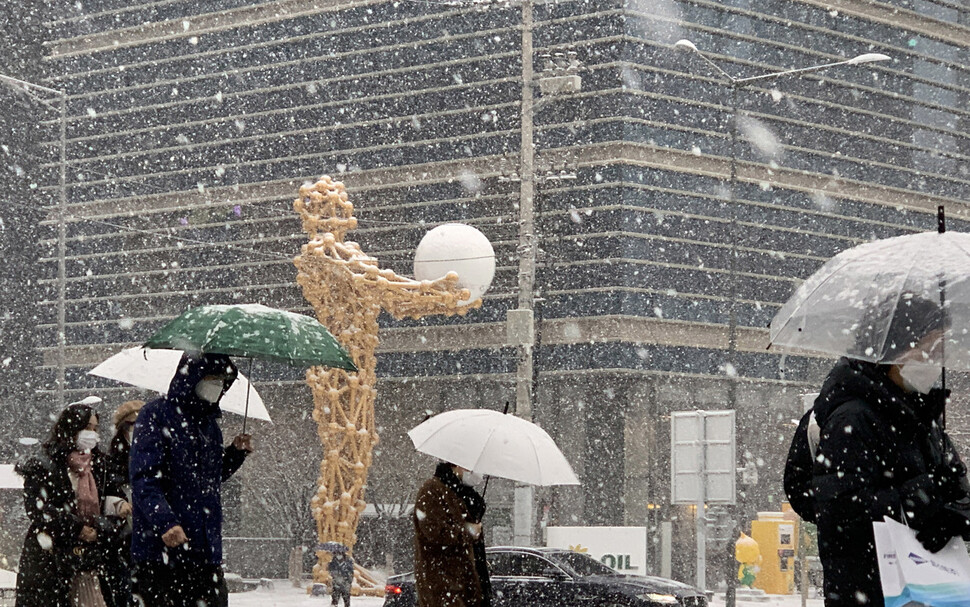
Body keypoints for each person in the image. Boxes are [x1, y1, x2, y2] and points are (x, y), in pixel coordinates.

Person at [787, 293, 970, 607]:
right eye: (930, 348)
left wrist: (955, 516)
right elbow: (840, 510)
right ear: (895, 352)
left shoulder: (922, 416)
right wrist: (918, 500)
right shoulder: (852, 418)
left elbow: (957, 487)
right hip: (871, 592)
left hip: (927, 589)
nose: (937, 360)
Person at [129, 354, 253, 607]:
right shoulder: (156, 415)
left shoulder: (209, 425)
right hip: (161, 553)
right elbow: (144, 479)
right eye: (212, 378)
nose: (218, 386)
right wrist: (166, 522)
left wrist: (234, 454)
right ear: (192, 377)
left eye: (223, 381)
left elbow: (208, 480)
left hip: (205, 553)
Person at [15, 397, 129, 607]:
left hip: (93, 563)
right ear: (72, 428)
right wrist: (76, 528)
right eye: (87, 427)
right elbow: (38, 509)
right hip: (51, 561)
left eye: (95, 428)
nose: (92, 434)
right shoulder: (44, 465)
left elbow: (113, 501)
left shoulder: (100, 466)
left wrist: (105, 523)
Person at [413, 461, 490, 607]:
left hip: (464, 584)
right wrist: (467, 531)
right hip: (443, 585)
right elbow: (434, 531)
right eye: (472, 467)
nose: (477, 473)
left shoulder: (463, 493)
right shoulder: (433, 490)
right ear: (458, 464)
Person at [101, 400, 145, 607]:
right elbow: (97, 500)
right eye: (131, 424)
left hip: (152, 544)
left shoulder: (160, 461)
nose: (136, 429)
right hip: (120, 544)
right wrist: (115, 504)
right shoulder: (107, 464)